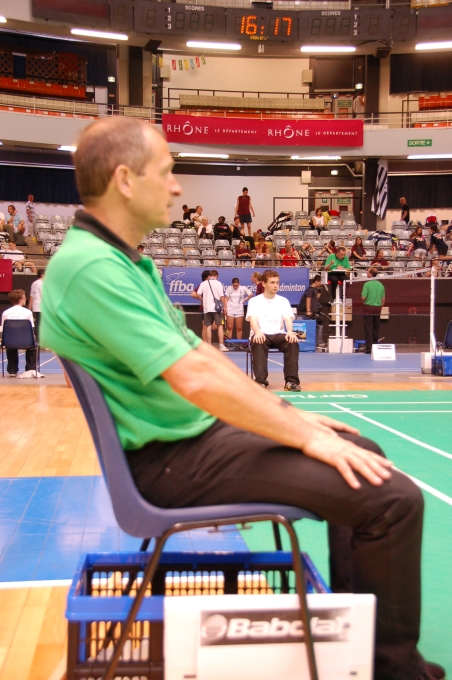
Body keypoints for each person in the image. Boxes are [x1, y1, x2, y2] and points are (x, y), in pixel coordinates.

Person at [40, 118, 443, 680]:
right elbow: (195, 380)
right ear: (126, 180)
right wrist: (301, 434)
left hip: (191, 440)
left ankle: (361, 649)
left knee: (360, 450)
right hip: (169, 462)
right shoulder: (91, 267)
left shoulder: (127, 261)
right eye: (167, 172)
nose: (177, 186)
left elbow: (203, 361)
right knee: (394, 499)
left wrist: (289, 417)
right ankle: (393, 671)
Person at [246, 270, 300, 392]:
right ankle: (261, 382)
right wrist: (257, 331)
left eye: (277, 282)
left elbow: (287, 319)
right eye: (272, 282)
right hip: (261, 334)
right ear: (264, 284)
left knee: (292, 342)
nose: (275, 285)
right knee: (258, 341)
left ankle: (291, 382)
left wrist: (290, 332)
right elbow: (252, 319)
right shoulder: (254, 301)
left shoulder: (283, 301)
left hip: (278, 334)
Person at [1, 289, 37, 377]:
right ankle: (30, 369)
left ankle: (12, 370)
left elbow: (4, 329)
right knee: (33, 343)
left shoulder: (5, 313)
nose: (25, 300)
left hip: (10, 341)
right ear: (21, 300)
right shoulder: (28, 312)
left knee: (10, 343)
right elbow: (31, 329)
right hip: (26, 341)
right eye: (24, 298)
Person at [194, 269, 228, 351]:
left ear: (210, 275)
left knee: (208, 326)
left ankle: (209, 346)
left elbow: (198, 294)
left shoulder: (203, 283)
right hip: (217, 308)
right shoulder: (218, 283)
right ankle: (221, 345)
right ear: (216, 276)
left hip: (207, 308)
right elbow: (221, 296)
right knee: (220, 326)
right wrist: (225, 307)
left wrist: (203, 300)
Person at [361, 267, 385, 354]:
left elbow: (363, 297)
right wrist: (380, 307)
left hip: (368, 308)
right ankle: (375, 348)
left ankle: (368, 349)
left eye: (367, 272)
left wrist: (366, 301)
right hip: (378, 308)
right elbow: (383, 299)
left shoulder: (366, 284)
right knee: (376, 328)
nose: (367, 273)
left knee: (368, 328)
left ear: (371, 274)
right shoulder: (381, 285)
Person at [296, 273, 324, 346]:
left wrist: (320, 292)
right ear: (316, 281)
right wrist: (308, 311)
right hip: (307, 312)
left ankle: (317, 342)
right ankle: (305, 344)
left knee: (319, 324)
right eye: (320, 281)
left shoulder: (315, 289)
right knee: (305, 328)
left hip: (313, 312)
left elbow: (316, 298)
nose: (320, 283)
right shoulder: (310, 289)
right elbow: (308, 299)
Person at [191, 269, 212, 342]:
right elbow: (193, 294)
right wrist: (203, 300)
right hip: (204, 308)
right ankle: (205, 343)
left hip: (212, 308)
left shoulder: (212, 284)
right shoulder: (202, 284)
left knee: (213, 326)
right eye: (210, 276)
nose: (211, 277)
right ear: (207, 277)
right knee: (205, 326)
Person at [28, 269, 45, 341]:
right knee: (40, 323)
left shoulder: (34, 283)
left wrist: (29, 309)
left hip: (35, 307)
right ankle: (39, 340)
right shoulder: (42, 284)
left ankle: (37, 339)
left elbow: (31, 297)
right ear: (42, 275)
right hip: (42, 307)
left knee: (38, 322)